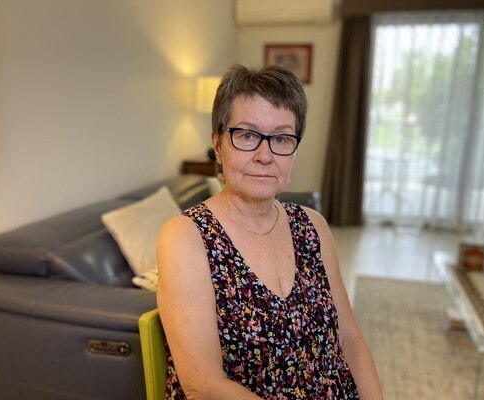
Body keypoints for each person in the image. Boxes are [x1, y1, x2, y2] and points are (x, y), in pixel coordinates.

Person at [157, 64, 383, 399]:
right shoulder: (186, 237)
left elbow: (348, 337)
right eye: (247, 135)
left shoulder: (314, 226)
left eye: (280, 138)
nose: (265, 155)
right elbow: (202, 384)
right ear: (218, 145)